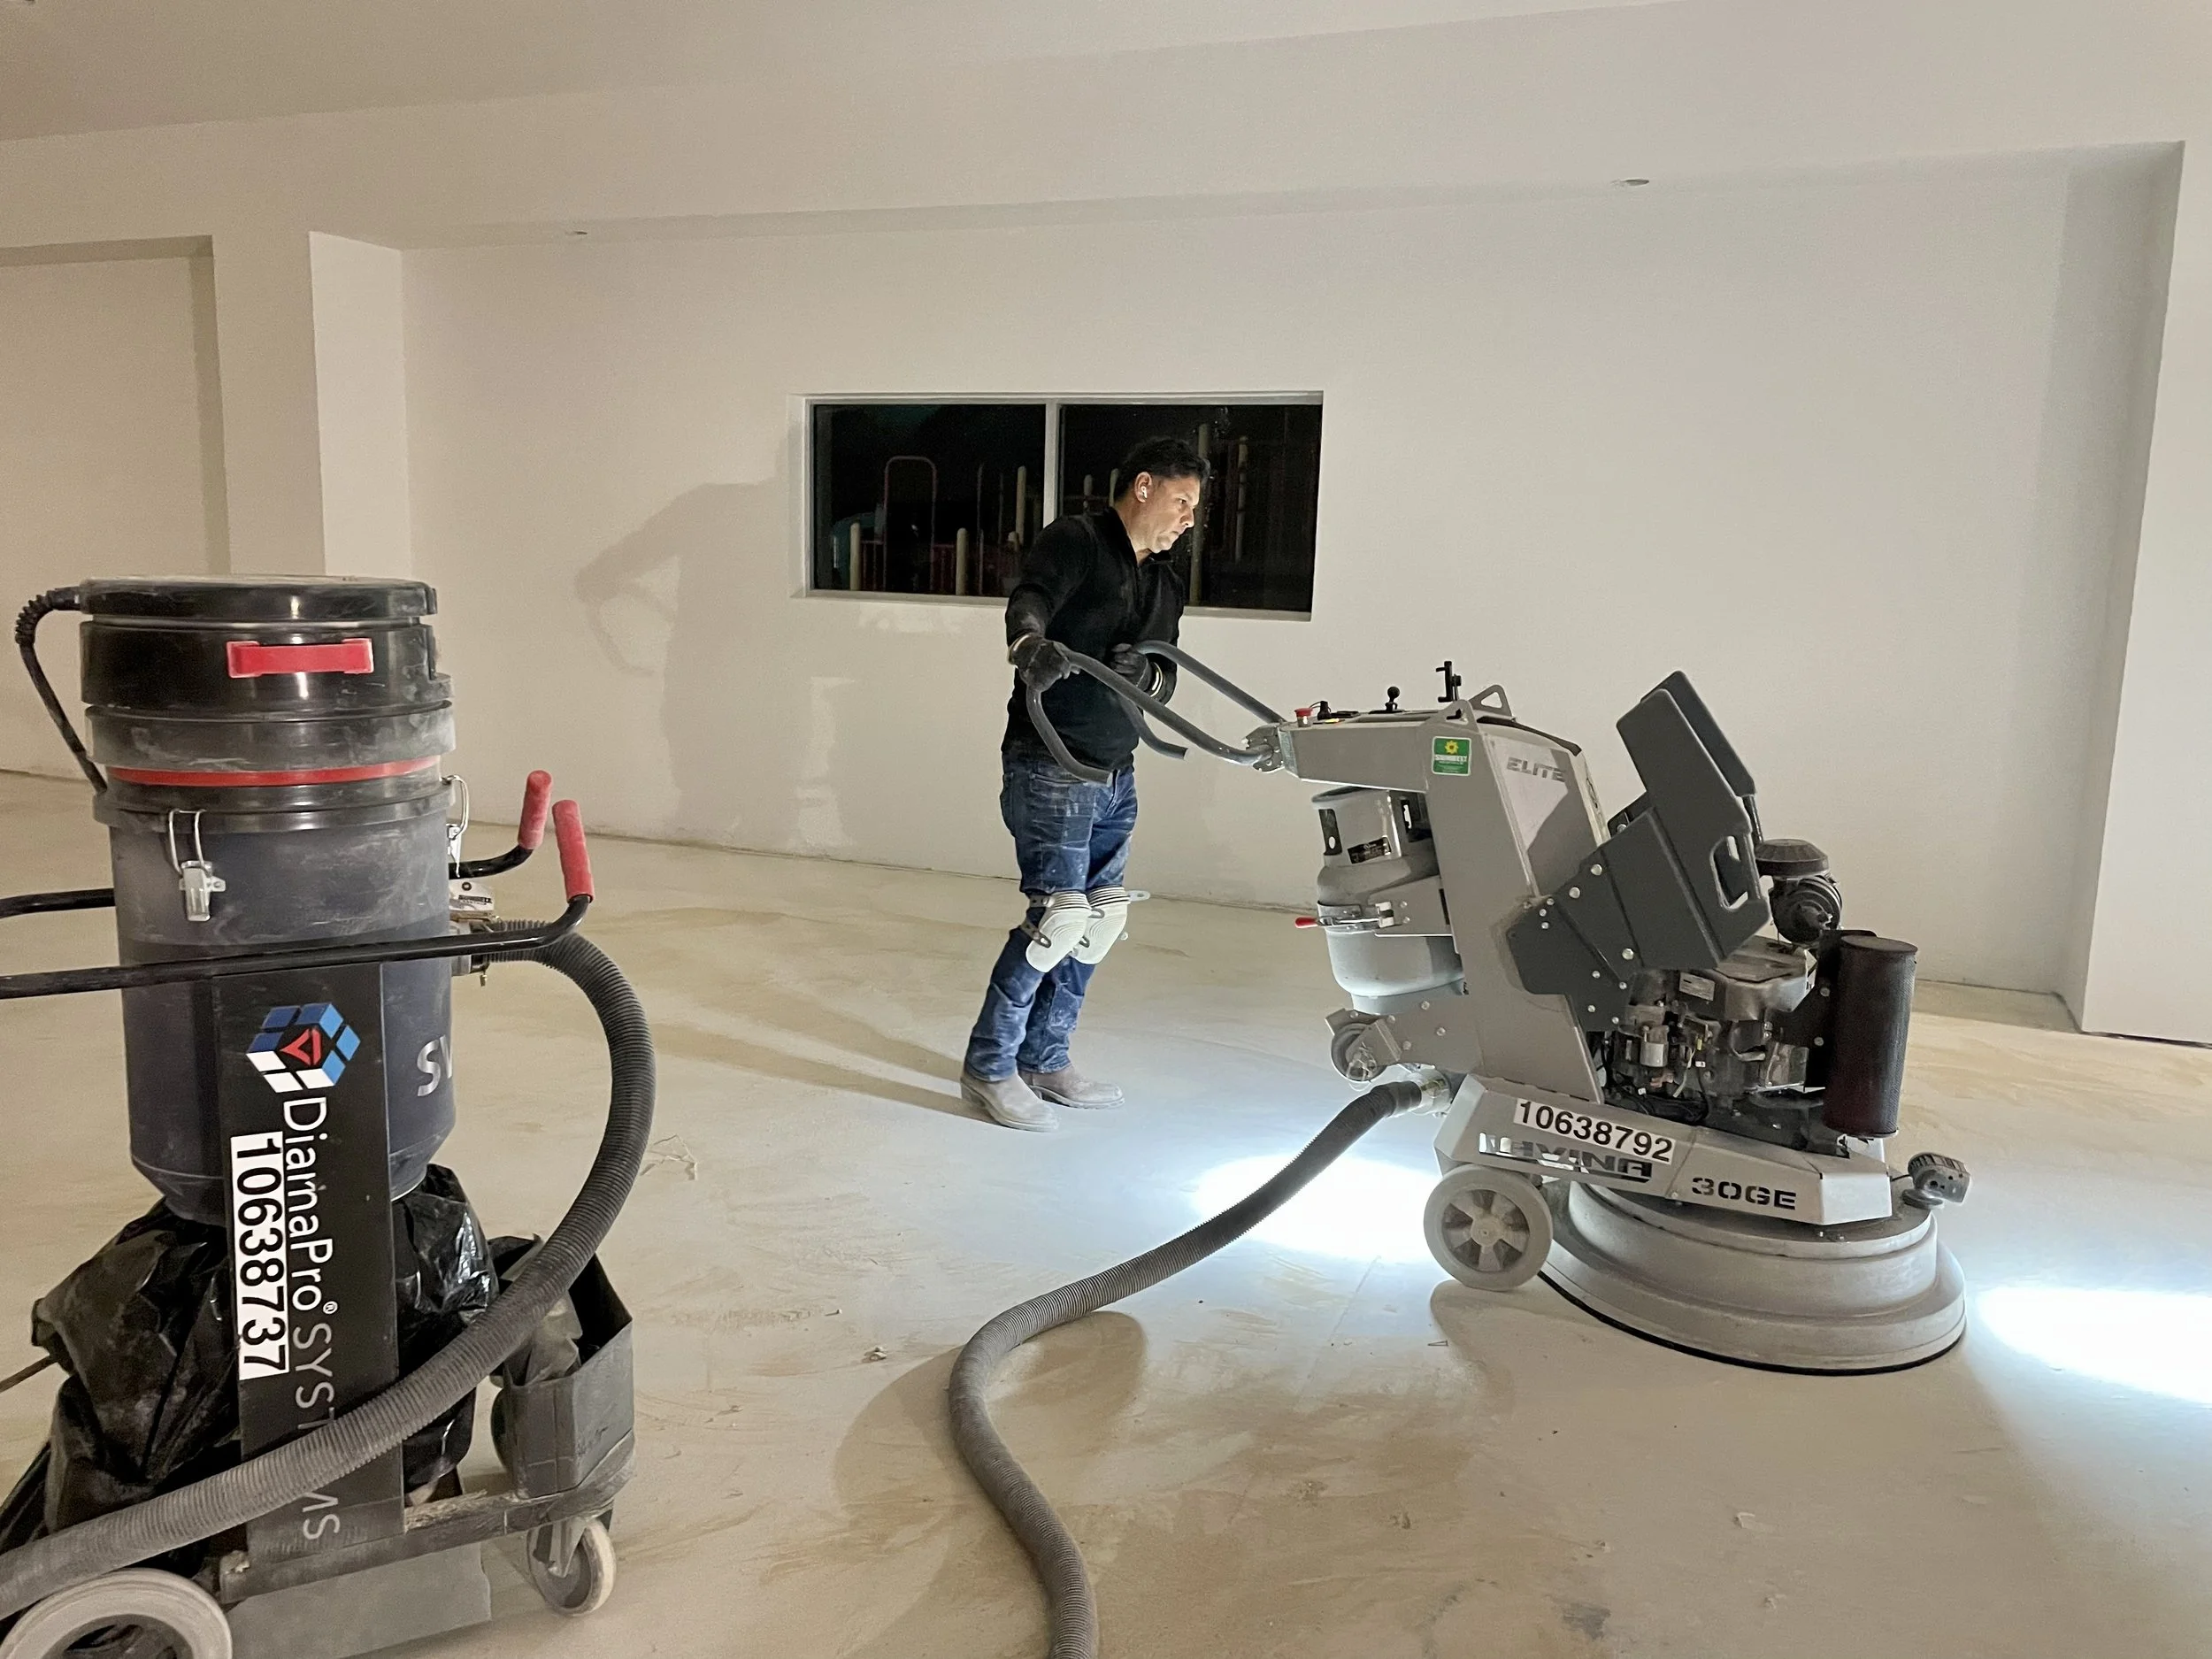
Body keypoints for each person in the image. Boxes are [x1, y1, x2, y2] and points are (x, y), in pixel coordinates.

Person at [959, 437, 1210, 1130]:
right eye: (1181, 500)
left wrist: (1147, 675)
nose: (1188, 517)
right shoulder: (1077, 541)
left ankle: (1045, 1058)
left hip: (1115, 771)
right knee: (1057, 920)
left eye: (1195, 507)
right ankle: (989, 1066)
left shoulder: (1165, 583)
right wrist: (1030, 646)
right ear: (1144, 486)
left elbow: (1167, 671)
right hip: (1050, 763)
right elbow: (1031, 599)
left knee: (1097, 921)